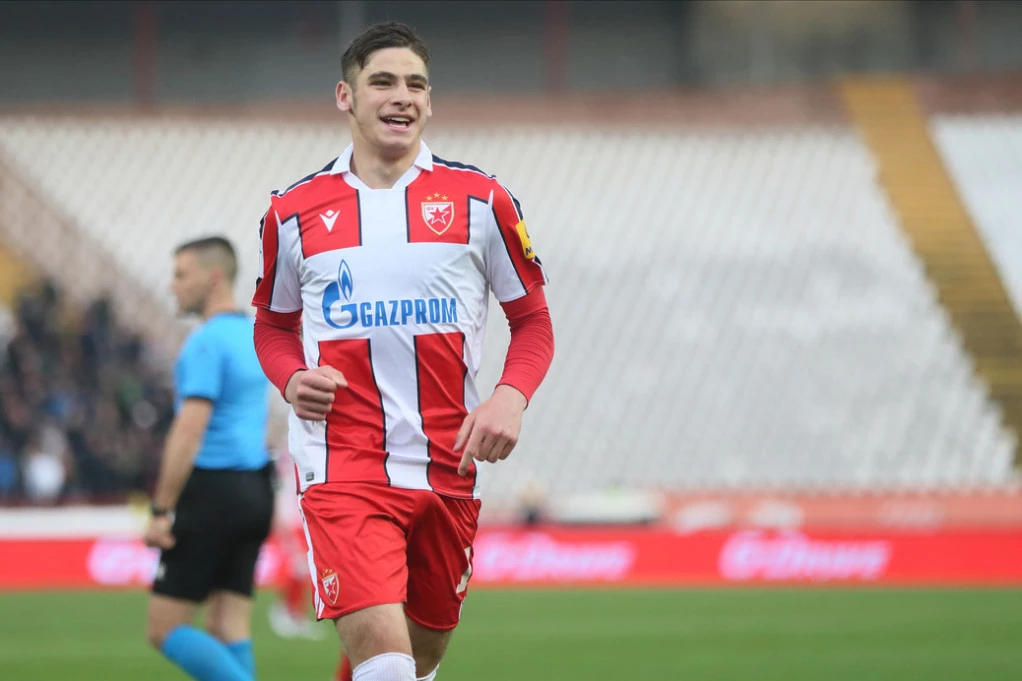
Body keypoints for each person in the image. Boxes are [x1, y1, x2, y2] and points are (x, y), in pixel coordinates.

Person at [251, 20, 555, 681]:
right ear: (346, 96)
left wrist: (510, 396)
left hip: (449, 464)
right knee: (386, 665)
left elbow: (533, 321)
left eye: (416, 84)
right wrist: (291, 378)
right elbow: (272, 326)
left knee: (418, 663)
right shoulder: (293, 212)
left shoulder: (482, 200)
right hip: (343, 464)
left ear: (430, 100)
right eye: (383, 82)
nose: (402, 96)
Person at [144, 236, 275, 681]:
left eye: (181, 275)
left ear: (214, 277)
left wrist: (161, 510)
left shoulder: (205, 343)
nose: (172, 285)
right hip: (256, 489)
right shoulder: (255, 335)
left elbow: (189, 430)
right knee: (227, 624)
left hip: (213, 492)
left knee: (164, 628)